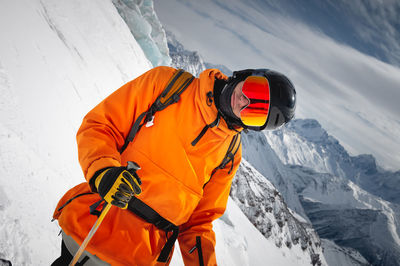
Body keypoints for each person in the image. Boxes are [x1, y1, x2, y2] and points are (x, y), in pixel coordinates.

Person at [52, 66, 296, 265]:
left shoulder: (230, 154)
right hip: (93, 224)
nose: (244, 101)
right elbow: (100, 126)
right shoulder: (168, 84)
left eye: (255, 113)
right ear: (246, 74)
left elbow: (198, 224)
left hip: (141, 258)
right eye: (253, 89)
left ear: (253, 126)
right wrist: (104, 172)